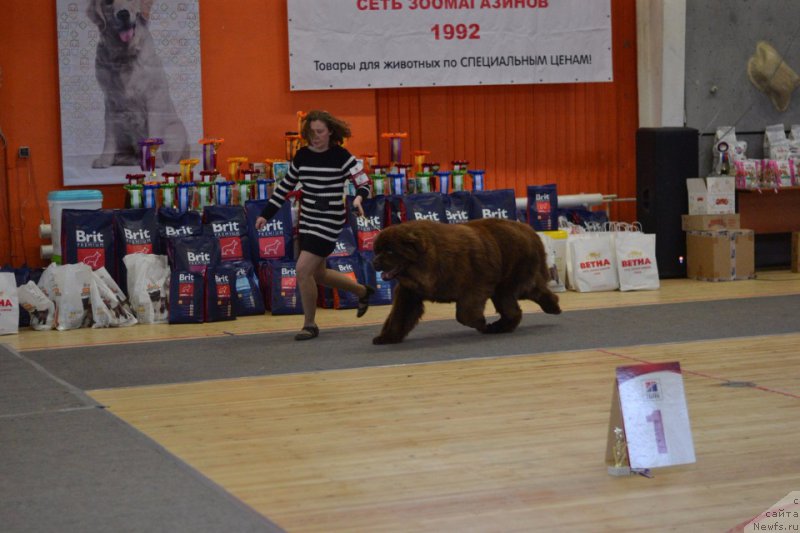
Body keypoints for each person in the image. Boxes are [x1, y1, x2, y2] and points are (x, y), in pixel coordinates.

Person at [255, 110, 375, 340]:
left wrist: (359, 197)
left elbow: (363, 181)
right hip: (307, 219)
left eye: (320, 131)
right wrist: (266, 214)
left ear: (330, 131)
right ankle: (362, 291)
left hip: (329, 220)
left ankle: (310, 324)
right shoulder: (302, 156)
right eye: (311, 132)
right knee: (317, 274)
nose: (315, 136)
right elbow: (284, 188)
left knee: (301, 270)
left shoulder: (341, 155)